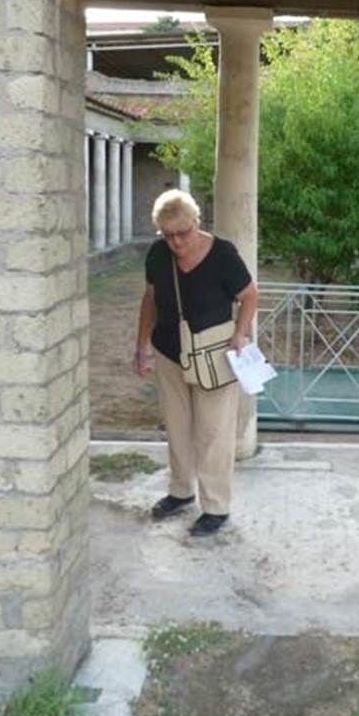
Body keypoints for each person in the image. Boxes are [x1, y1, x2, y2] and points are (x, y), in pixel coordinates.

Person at [133, 189, 258, 536]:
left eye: (183, 233)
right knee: (177, 426)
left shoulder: (223, 254)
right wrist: (141, 346)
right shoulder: (157, 254)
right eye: (168, 235)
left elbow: (249, 295)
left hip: (214, 355)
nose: (176, 242)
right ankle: (181, 491)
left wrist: (241, 334)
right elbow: (150, 298)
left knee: (213, 432)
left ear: (196, 224)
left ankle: (216, 507)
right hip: (169, 351)